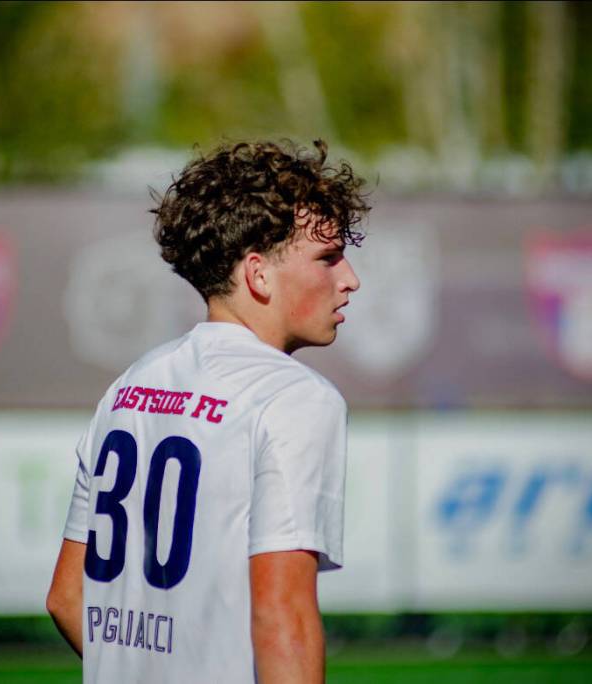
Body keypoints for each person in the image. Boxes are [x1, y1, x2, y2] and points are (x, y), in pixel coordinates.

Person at [47, 139, 369, 683]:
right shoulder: (295, 398)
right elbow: (282, 618)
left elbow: (66, 597)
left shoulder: (130, 385)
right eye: (328, 257)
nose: (350, 279)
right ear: (258, 273)